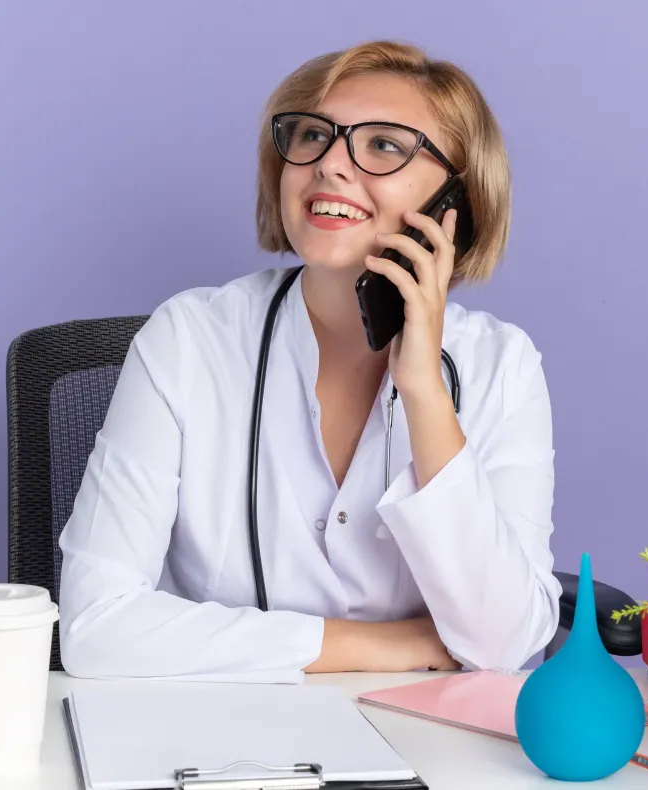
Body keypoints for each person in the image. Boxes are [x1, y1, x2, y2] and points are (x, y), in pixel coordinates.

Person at [56, 40, 562, 683]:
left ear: (455, 200)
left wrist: (424, 391)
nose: (330, 165)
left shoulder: (502, 368)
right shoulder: (188, 340)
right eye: (312, 136)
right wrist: (392, 646)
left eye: (384, 144)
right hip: (219, 748)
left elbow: (505, 643)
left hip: (431, 752)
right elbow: (96, 631)